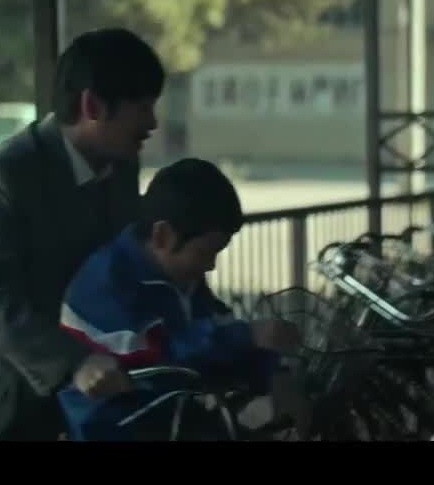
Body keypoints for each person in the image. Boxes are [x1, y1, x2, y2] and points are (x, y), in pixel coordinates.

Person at [0, 28, 165, 441]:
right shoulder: (7, 174)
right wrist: (75, 361)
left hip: (64, 379)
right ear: (92, 106)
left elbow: (126, 259)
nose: (152, 123)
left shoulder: (121, 164)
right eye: (142, 107)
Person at [56, 158, 309, 441]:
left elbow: (217, 329)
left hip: (174, 416)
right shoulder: (106, 280)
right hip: (117, 427)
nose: (210, 265)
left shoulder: (181, 276)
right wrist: (247, 335)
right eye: (205, 252)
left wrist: (273, 369)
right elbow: (158, 359)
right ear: (162, 235)